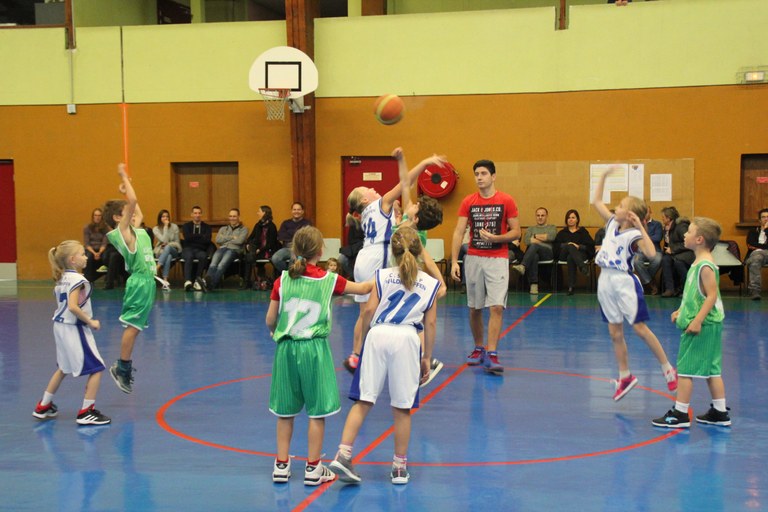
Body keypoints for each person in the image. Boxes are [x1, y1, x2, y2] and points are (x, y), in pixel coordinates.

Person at [329, 227, 444, 486]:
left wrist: (361, 344)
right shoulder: (431, 284)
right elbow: (431, 323)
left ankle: (343, 454)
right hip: (407, 339)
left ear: (392, 252)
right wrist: (426, 357)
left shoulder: (381, 275)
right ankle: (399, 468)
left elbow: (368, 311)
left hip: (378, 334)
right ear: (419, 252)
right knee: (402, 408)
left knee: (363, 400)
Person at [265, 226, 372, 486]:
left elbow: (270, 319)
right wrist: (385, 275)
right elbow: (363, 288)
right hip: (314, 349)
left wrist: (276, 331)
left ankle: (281, 465)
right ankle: (313, 468)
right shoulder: (329, 280)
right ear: (321, 251)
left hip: (286, 349)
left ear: (294, 250)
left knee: (285, 411)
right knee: (316, 412)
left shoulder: (282, 280)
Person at [343, 149, 447, 374]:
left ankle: (356, 355)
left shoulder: (384, 218)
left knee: (366, 312)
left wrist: (402, 160)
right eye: (370, 189)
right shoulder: (382, 207)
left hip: (364, 257)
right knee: (408, 315)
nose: (374, 189)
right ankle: (421, 358)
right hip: (378, 258)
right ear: (365, 199)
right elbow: (405, 183)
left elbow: (406, 185)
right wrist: (425, 162)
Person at [592, 169, 677, 401]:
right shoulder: (611, 223)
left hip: (623, 282)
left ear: (630, 215)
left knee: (639, 328)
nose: (615, 207)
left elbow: (651, 253)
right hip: (605, 281)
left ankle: (667, 368)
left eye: (620, 205)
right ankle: (625, 376)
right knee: (614, 332)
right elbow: (596, 201)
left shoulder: (634, 235)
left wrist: (640, 226)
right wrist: (603, 177)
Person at [652, 217, 730, 428]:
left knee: (685, 370)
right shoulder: (698, 263)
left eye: (688, 232)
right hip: (709, 325)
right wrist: (681, 310)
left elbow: (711, 296)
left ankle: (680, 413)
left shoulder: (705, 266)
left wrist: (696, 321)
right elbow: (696, 295)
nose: (684, 235)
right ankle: (720, 411)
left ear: (699, 239)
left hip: (702, 326)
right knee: (712, 370)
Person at [450, 159, 520, 374]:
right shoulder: (468, 201)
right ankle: (479, 347)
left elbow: (516, 232)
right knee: (475, 308)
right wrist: (454, 261)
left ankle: (492, 353)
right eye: (476, 174)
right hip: (474, 258)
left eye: (483, 173)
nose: (479, 177)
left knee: (496, 306)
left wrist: (497, 238)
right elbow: (458, 232)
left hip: (497, 259)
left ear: (493, 176)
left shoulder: (506, 200)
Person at [32, 240, 111, 426]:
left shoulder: (62, 278)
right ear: (73, 260)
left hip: (59, 327)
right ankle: (86, 412)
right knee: (97, 368)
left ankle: (43, 405)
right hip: (74, 327)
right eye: (82, 254)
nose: (86, 257)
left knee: (63, 368)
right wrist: (90, 321)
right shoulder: (77, 280)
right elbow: (73, 306)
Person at [104, 163, 157, 394]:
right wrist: (124, 176)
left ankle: (123, 366)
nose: (134, 213)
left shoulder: (136, 229)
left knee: (136, 327)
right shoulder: (123, 233)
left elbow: (139, 211)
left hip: (148, 283)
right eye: (128, 211)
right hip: (139, 283)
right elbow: (133, 202)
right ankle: (122, 367)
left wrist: (126, 190)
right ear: (118, 217)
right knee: (133, 327)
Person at [512, 207, 557, 295]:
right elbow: (527, 241)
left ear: (546, 216)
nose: (540, 217)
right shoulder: (530, 229)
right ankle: (534, 285)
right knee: (534, 256)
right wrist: (544, 237)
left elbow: (551, 237)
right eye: (538, 215)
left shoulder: (552, 227)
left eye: (542, 215)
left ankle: (523, 265)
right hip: (534, 253)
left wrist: (535, 236)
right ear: (535, 216)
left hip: (547, 253)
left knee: (534, 245)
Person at [554, 209, 594, 295]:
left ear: (577, 220)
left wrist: (578, 246)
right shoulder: (562, 233)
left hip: (580, 254)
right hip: (563, 254)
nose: (571, 219)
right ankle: (582, 267)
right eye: (569, 218)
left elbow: (590, 246)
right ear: (566, 220)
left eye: (573, 217)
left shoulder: (582, 232)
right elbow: (556, 246)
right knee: (570, 246)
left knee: (571, 257)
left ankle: (571, 287)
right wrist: (567, 245)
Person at [206, 208, 248, 290]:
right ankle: (206, 282)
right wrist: (232, 237)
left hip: (234, 250)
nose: (232, 218)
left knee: (221, 265)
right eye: (230, 216)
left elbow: (240, 241)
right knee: (213, 264)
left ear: (238, 217)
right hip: (222, 248)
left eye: (234, 216)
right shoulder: (223, 228)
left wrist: (224, 238)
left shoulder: (244, 229)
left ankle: (211, 285)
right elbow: (218, 240)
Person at [242, 205, 279, 290]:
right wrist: (247, 244)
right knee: (248, 257)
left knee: (251, 256)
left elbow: (271, 243)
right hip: (257, 250)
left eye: (259, 211)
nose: (257, 213)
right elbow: (251, 237)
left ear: (264, 213)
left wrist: (260, 250)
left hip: (268, 250)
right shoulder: (257, 225)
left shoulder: (272, 226)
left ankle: (262, 279)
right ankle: (247, 282)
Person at [659, 206, 694, 297]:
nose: (662, 219)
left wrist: (673, 249)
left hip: (686, 252)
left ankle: (686, 288)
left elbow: (688, 242)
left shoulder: (681, 227)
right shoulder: (666, 228)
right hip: (675, 253)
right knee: (665, 260)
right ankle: (669, 289)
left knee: (678, 262)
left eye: (663, 217)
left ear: (669, 218)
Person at [271, 202, 312, 274]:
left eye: (298, 210)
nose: (296, 211)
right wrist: (297, 235)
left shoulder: (307, 223)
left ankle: (292, 275)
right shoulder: (285, 223)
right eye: (294, 209)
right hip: (287, 248)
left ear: (302, 211)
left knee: (293, 260)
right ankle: (288, 274)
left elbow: (307, 238)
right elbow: (281, 236)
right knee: (275, 258)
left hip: (300, 249)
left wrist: (290, 235)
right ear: (291, 211)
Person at [181, 205, 213, 292]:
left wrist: (194, 237)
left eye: (199, 213)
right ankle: (187, 281)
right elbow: (187, 238)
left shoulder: (207, 227)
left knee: (203, 256)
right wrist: (201, 236)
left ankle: (197, 280)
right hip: (188, 249)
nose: (197, 215)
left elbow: (207, 240)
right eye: (195, 213)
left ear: (201, 214)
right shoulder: (186, 226)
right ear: (192, 214)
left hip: (200, 249)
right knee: (189, 256)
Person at [634, 205, 663, 295]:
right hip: (640, 251)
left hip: (654, 250)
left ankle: (646, 281)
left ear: (650, 212)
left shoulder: (657, 224)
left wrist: (643, 239)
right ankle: (651, 282)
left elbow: (657, 238)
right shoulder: (636, 225)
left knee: (658, 260)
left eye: (646, 212)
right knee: (636, 261)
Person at [153, 209, 181, 291]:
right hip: (161, 251)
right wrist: (165, 227)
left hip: (174, 250)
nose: (165, 218)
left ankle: (157, 267)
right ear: (159, 218)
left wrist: (169, 244)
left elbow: (177, 243)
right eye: (163, 216)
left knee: (168, 247)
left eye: (167, 216)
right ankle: (165, 281)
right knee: (168, 256)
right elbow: (163, 240)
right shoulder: (155, 229)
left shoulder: (174, 227)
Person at [744, 207, 768, 300]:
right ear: (759, 220)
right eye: (763, 217)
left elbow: (755, 245)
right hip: (755, 255)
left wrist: (766, 230)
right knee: (756, 259)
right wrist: (764, 247)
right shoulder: (753, 231)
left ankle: (754, 290)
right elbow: (750, 244)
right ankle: (755, 291)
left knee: (757, 256)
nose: (766, 219)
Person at [83, 208, 108, 282]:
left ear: (102, 217)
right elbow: (87, 243)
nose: (97, 217)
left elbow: (104, 243)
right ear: (93, 216)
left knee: (106, 257)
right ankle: (87, 279)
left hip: (101, 249)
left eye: (99, 215)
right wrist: (94, 253)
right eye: (96, 215)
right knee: (89, 257)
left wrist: (99, 253)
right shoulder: (87, 227)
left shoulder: (105, 228)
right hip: (90, 248)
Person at [338, 214, 364, 279]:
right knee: (341, 259)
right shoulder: (354, 225)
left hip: (366, 248)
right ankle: (355, 277)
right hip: (354, 248)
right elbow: (351, 241)